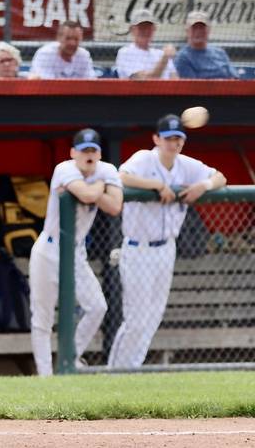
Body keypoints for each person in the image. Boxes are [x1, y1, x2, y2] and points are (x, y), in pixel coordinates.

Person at [108, 115, 226, 369]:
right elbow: (122, 176)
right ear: (157, 139)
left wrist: (203, 185)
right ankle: (115, 372)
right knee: (136, 319)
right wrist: (157, 184)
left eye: (178, 138)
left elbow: (220, 177)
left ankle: (132, 369)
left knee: (153, 317)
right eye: (169, 138)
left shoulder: (185, 164)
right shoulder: (144, 158)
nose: (174, 144)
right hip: (138, 247)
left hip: (166, 248)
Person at [29, 129, 123, 376]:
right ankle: (45, 376)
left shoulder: (107, 169)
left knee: (97, 307)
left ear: (99, 153)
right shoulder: (65, 168)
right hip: (48, 249)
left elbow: (114, 206)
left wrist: (98, 185)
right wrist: (101, 185)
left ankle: (69, 358)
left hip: (75, 252)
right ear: (74, 153)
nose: (88, 156)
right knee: (43, 317)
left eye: (93, 151)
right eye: (84, 151)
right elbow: (88, 194)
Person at [115, 9, 177, 80]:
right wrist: (164, 59)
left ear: (154, 29)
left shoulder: (160, 53)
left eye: (149, 27)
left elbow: (176, 80)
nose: (146, 31)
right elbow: (146, 80)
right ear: (132, 29)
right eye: (142, 27)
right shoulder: (125, 53)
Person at [174, 11, 238, 79]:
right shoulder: (183, 57)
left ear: (209, 30)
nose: (198, 32)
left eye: (202, 28)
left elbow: (234, 77)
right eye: (194, 28)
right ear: (187, 31)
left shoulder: (220, 52)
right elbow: (192, 86)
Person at [29, 21, 96, 79]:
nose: (72, 43)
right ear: (59, 37)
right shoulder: (46, 54)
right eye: (68, 38)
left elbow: (91, 82)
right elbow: (47, 86)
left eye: (76, 39)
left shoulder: (83, 55)